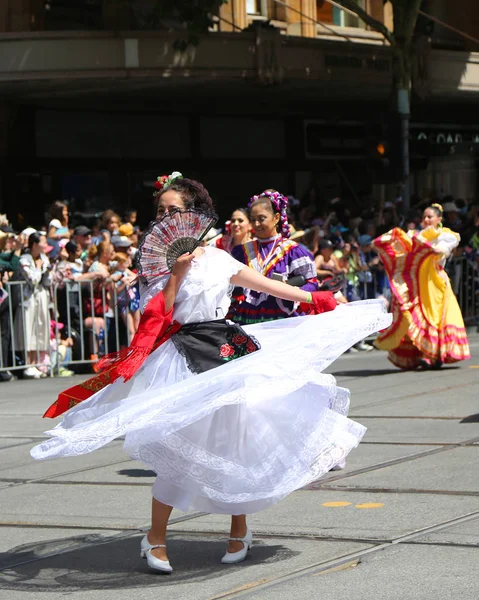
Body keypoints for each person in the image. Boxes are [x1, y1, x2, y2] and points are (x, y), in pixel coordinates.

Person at [32, 173, 391, 574]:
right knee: (177, 446)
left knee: (234, 439)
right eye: (161, 210)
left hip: (227, 350)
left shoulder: (219, 257)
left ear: (193, 213)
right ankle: (155, 537)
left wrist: (316, 298)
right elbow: (156, 313)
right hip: (181, 356)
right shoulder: (158, 261)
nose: (165, 216)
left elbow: (269, 285)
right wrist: (176, 274)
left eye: (174, 209)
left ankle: (240, 528)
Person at [373, 203, 470, 370]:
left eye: (429, 217)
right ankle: (420, 354)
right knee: (415, 317)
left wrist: (433, 249)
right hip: (417, 283)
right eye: (424, 217)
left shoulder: (446, 235)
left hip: (435, 283)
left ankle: (431, 355)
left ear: (439, 219)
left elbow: (445, 250)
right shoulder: (416, 235)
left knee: (433, 318)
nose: (426, 220)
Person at [231, 190, 319, 324]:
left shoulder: (293, 251)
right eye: (253, 220)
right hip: (248, 317)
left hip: (282, 318)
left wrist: (291, 290)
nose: (256, 224)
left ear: (276, 218)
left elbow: (312, 283)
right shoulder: (242, 252)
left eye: (261, 219)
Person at [13, 232, 52, 379]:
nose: (45, 245)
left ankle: (37, 363)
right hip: (28, 299)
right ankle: (28, 364)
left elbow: (48, 280)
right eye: (43, 242)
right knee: (28, 329)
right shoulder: (24, 260)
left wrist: (46, 271)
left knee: (40, 328)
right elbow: (33, 280)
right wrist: (42, 269)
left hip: (41, 297)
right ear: (34, 244)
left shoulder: (44, 259)